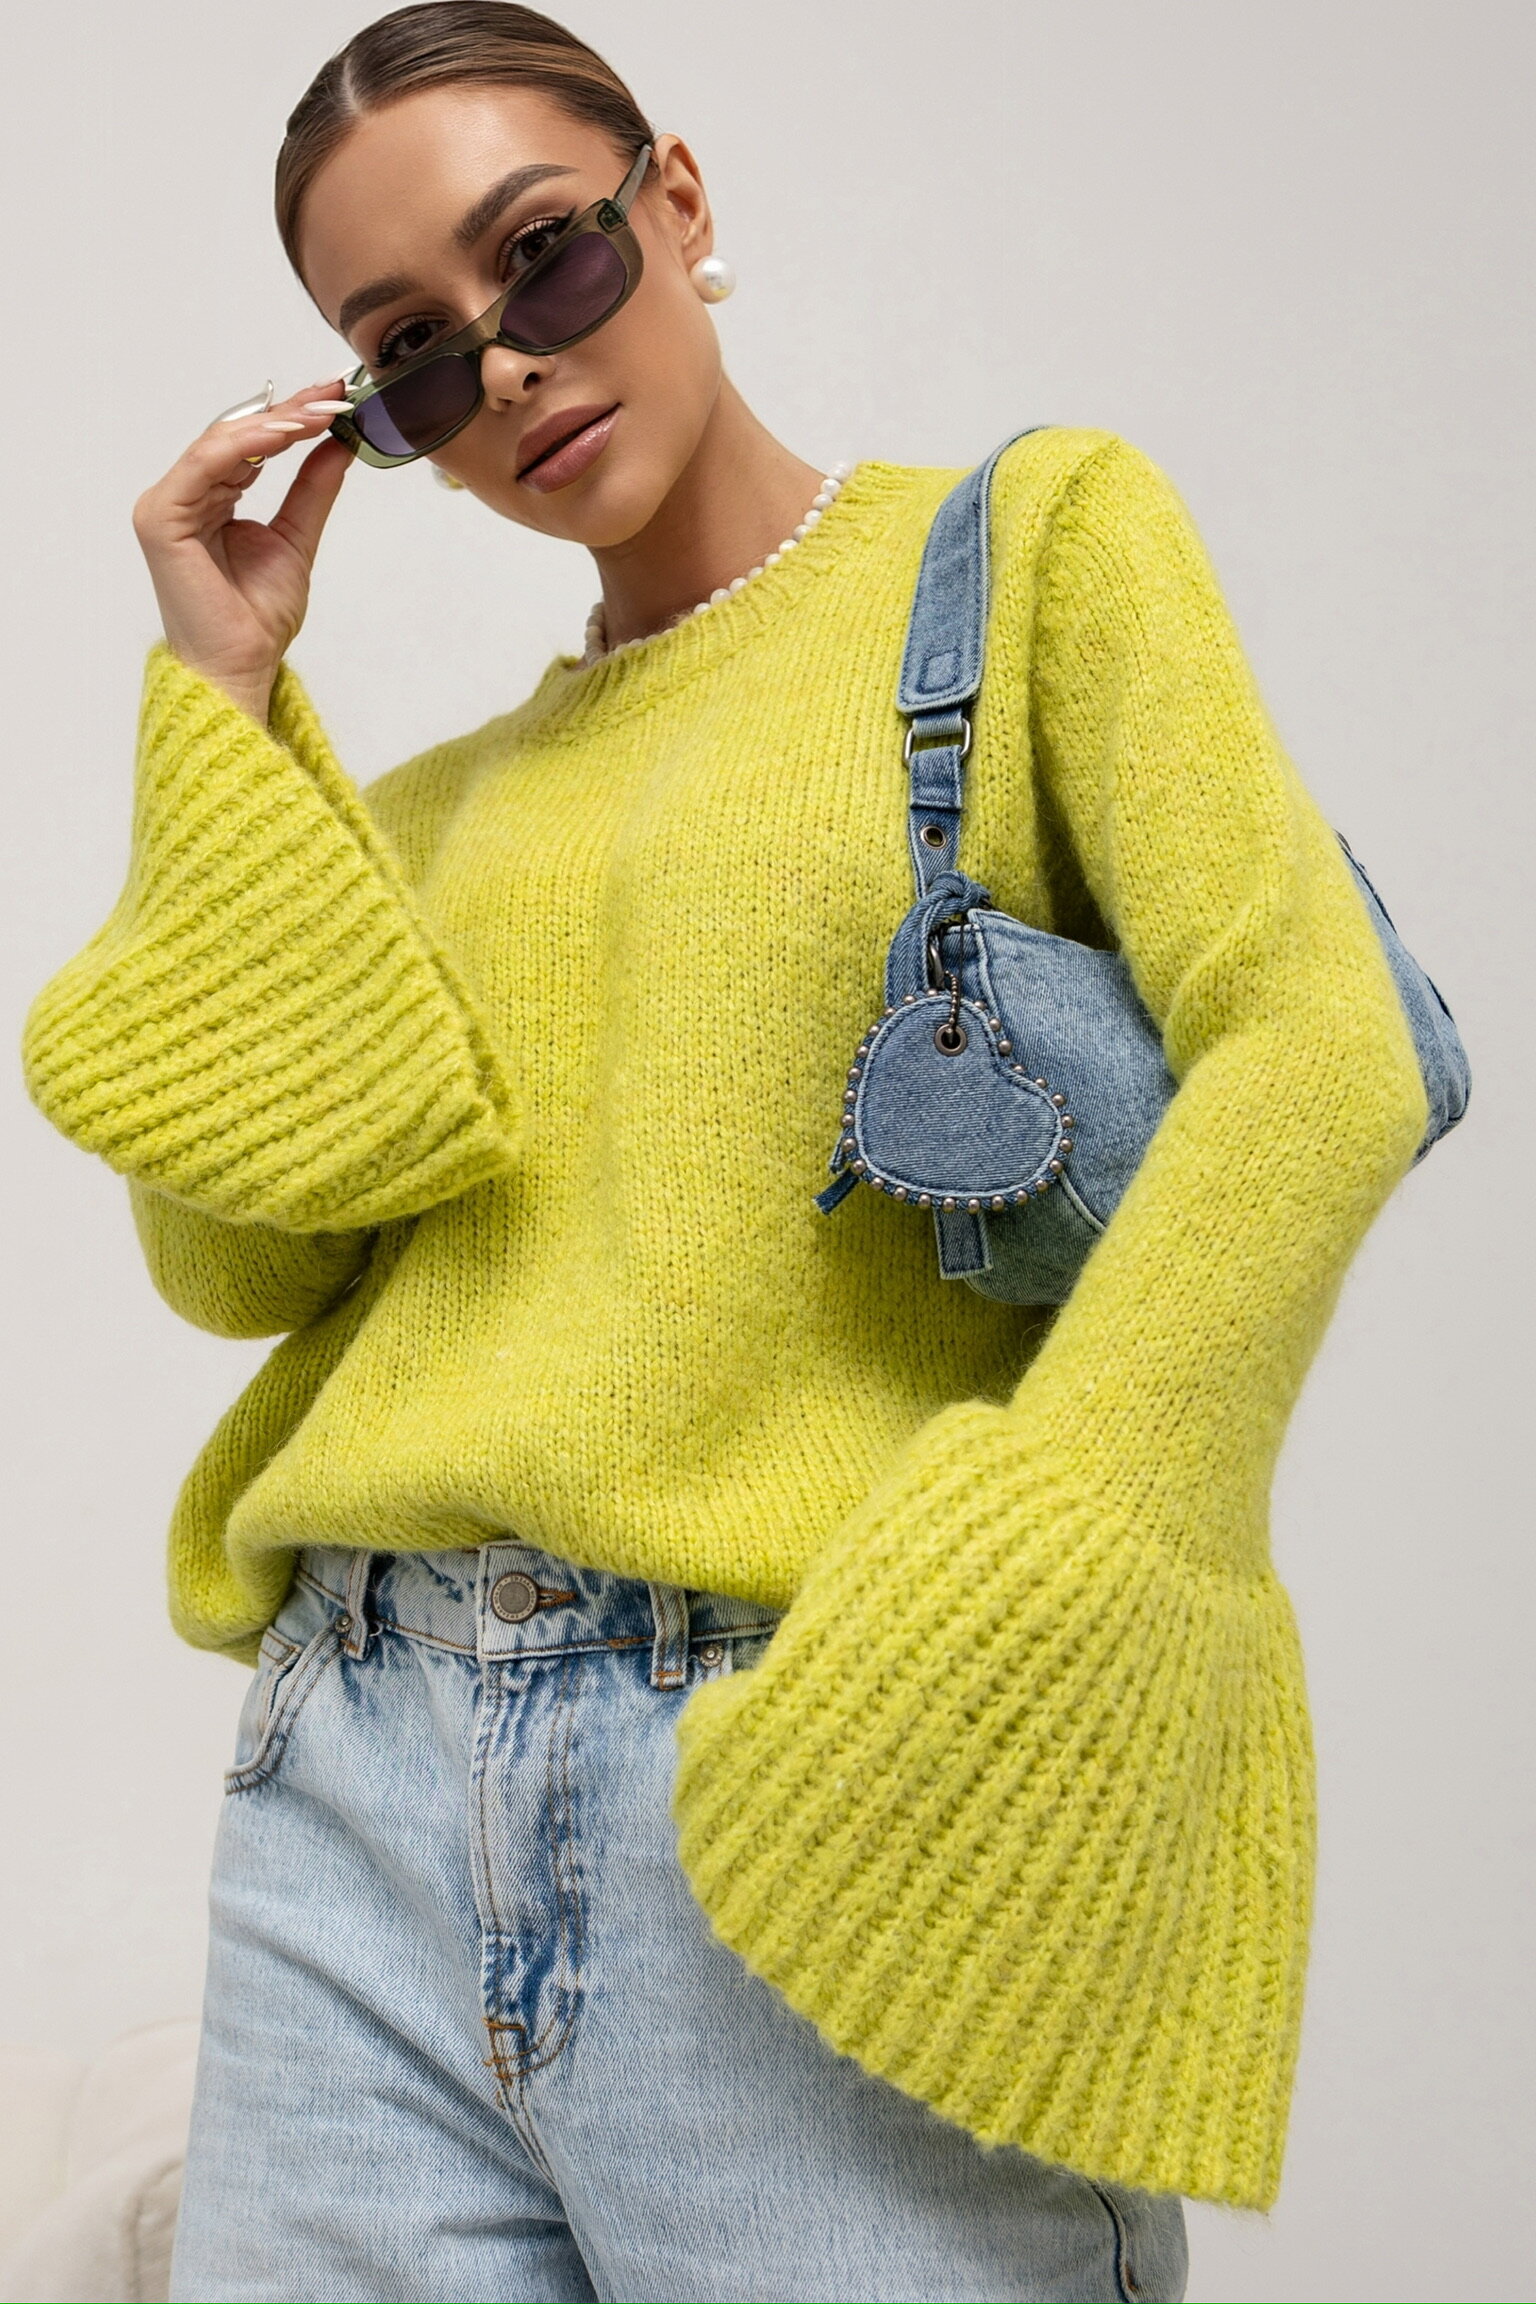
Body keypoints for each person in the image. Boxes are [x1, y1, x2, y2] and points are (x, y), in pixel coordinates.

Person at [20, 4, 1433, 2299]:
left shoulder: (1033, 550)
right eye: (409, 358)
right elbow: (233, 1264)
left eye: (544, 258)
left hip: (810, 1778)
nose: (507, 368)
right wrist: (226, 695)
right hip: (350, 1802)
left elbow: (1322, 1041)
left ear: (674, 201)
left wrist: (1049, 1549)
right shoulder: (430, 816)